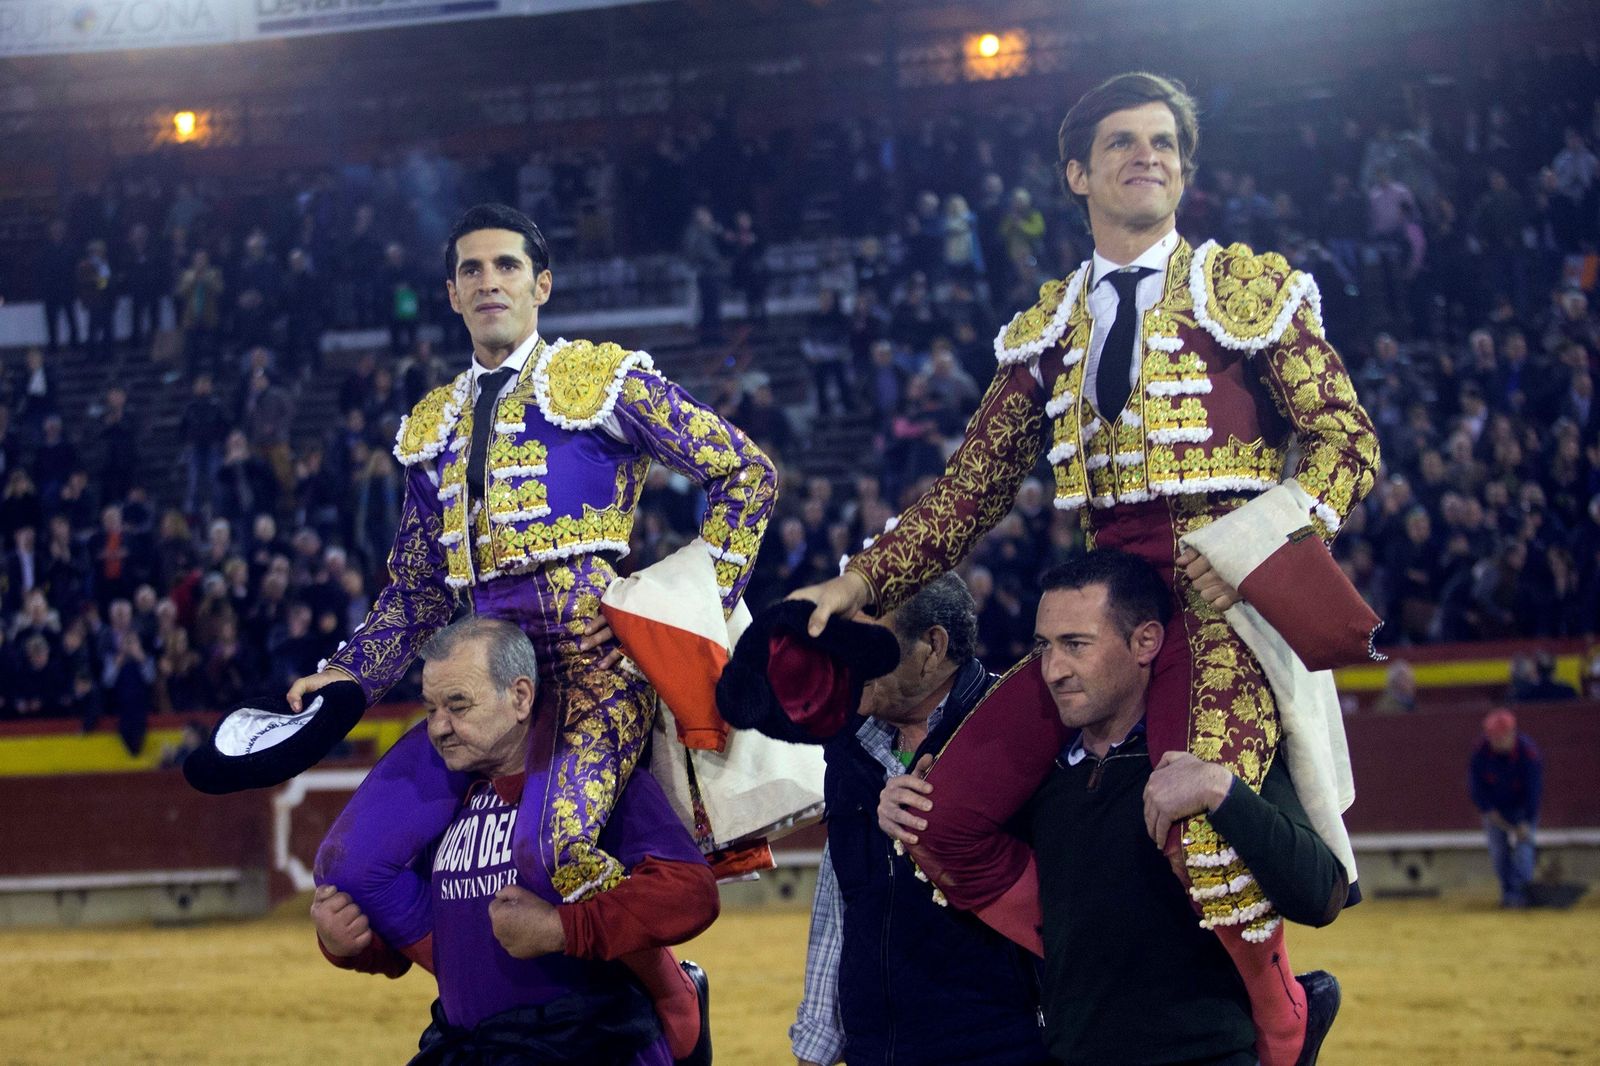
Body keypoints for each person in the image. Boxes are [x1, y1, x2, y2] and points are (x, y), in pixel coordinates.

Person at [794, 72, 1377, 1066]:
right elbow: (971, 488)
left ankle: (1280, 1014)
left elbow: (1345, 441)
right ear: (1077, 172)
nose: (1145, 154)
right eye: (1120, 141)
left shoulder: (1249, 293)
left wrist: (1269, 538)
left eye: (1162, 142)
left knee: (1203, 828)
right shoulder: (1047, 330)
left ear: (1184, 169)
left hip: (1222, 602)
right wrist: (855, 583)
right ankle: (1079, 962)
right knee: (947, 818)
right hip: (1105, 606)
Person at [288, 202, 775, 1058]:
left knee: (552, 848)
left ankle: (670, 1000)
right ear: (449, 294)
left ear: (540, 284)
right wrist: (347, 675)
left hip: (589, 675)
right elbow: (413, 589)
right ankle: (485, 1002)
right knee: (350, 858)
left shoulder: (604, 382)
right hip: (480, 686)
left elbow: (746, 471)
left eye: (506, 267)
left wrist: (695, 600)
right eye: (471, 271)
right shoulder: (430, 427)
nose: (489, 283)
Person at [879, 552, 1345, 1065]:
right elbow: (980, 914)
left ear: (1145, 642)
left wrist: (1221, 789)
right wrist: (906, 808)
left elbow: (1319, 893)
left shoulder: (1214, 755)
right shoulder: (1043, 778)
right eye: (1044, 647)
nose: (1053, 670)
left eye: (1076, 645)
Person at [312, 616, 718, 1065]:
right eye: (430, 709)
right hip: (466, 1046)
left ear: (520, 697)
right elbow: (447, 938)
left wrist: (562, 930)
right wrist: (352, 946)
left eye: (458, 705)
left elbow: (692, 893)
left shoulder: (592, 784)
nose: (438, 727)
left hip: (592, 1044)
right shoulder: (450, 801)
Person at [790, 573, 1048, 1066]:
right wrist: (817, 1041)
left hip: (1000, 1049)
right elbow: (839, 897)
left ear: (932, 645)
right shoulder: (849, 740)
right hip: (875, 1052)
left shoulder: (1015, 732)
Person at [1469, 708, 1543, 909]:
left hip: (1521, 807)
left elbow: (1533, 791)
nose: (1495, 741)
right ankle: (1508, 893)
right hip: (1495, 810)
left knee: (1523, 850)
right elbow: (1475, 786)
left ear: (1512, 734)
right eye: (1492, 737)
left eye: (1500, 737)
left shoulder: (1528, 752)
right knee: (1499, 853)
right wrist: (1488, 810)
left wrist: (1526, 822)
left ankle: (1522, 894)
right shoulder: (1481, 751)